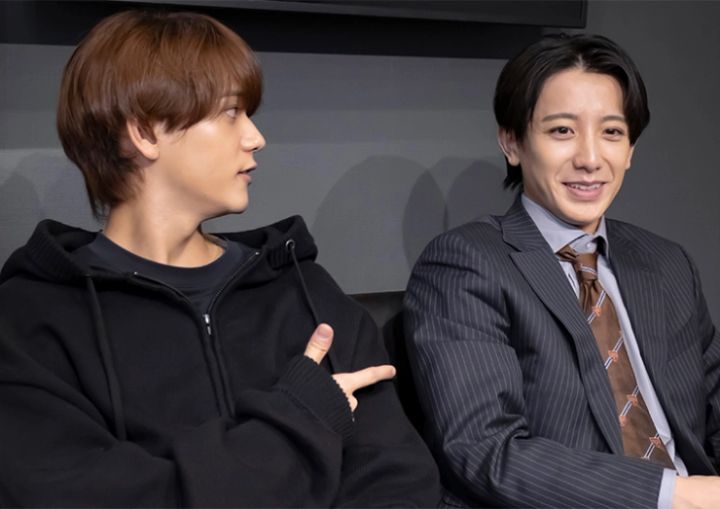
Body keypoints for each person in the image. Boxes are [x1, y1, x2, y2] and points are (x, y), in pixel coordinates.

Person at [0, 9, 440, 507]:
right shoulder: (32, 320)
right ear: (145, 131)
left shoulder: (306, 290)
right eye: (231, 113)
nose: (255, 138)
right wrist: (301, 416)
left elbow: (398, 478)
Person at [404, 33, 720, 508]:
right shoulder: (465, 263)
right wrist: (678, 496)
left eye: (611, 132)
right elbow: (486, 450)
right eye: (562, 131)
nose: (590, 159)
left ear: (630, 149)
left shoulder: (666, 263)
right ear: (512, 142)